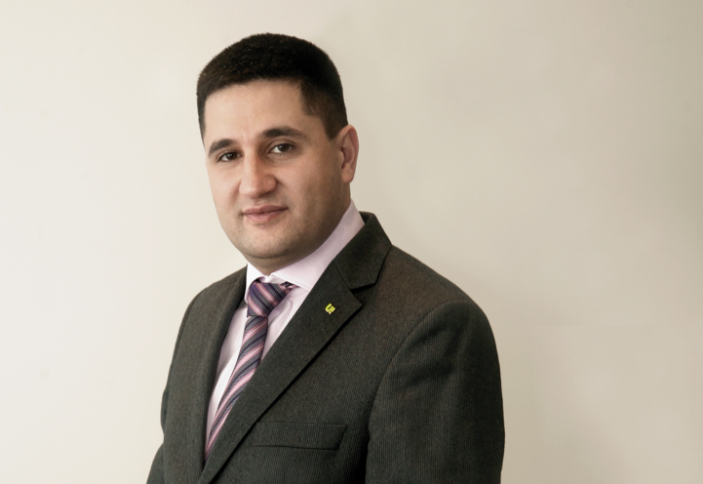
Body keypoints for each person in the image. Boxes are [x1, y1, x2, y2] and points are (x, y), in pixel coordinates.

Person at [147, 33, 504, 484]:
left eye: (281, 147)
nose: (253, 183)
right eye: (228, 155)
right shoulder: (203, 314)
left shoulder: (431, 327)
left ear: (345, 155)